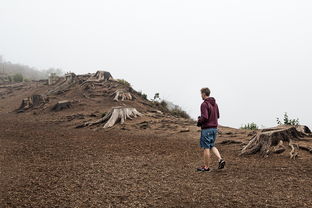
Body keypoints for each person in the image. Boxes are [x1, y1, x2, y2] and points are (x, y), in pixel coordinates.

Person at [196, 88, 225, 172]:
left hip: (206, 129)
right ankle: (220, 159)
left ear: (204, 94)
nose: (200, 95)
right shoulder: (215, 104)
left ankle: (206, 167)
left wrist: (199, 121)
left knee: (206, 147)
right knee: (212, 145)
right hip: (214, 128)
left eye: (201, 93)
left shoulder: (204, 104)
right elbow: (218, 116)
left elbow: (205, 117)